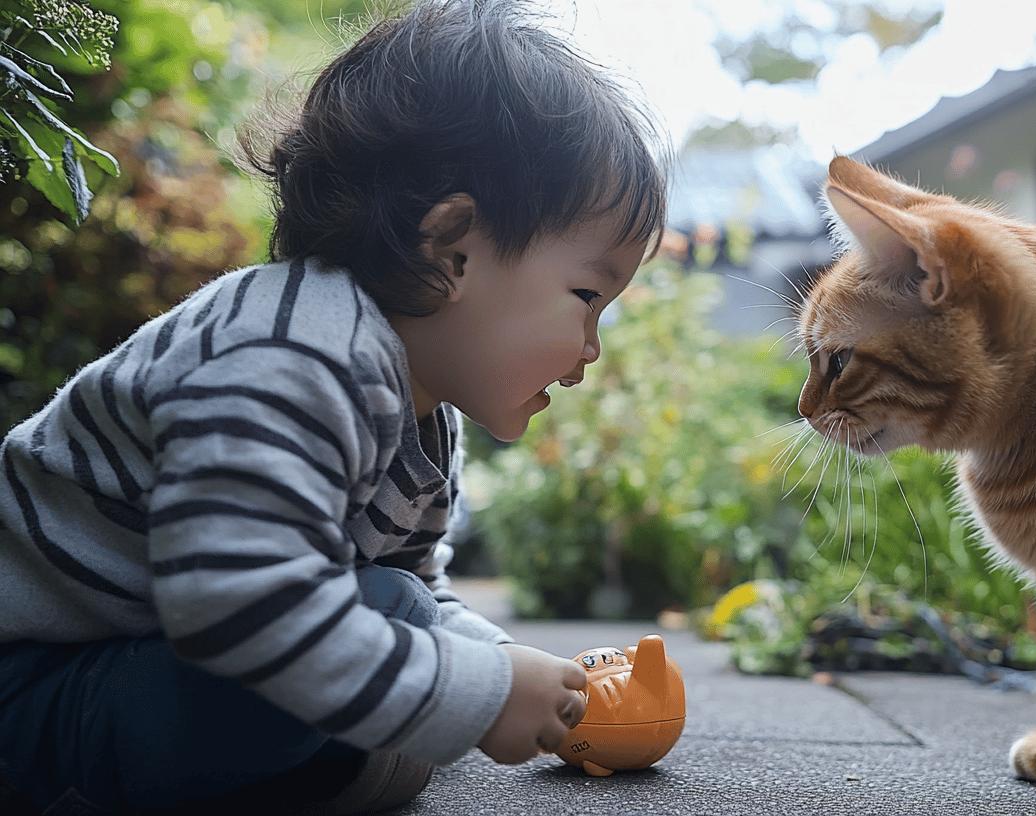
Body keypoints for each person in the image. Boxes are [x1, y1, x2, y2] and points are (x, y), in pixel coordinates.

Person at [0, 0, 667, 812]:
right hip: (31, 677)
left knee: (395, 608)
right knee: (376, 623)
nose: (590, 350)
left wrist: (517, 674)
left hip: (138, 656)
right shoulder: (289, 354)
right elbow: (238, 602)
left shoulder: (421, 413)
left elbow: (413, 588)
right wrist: (478, 695)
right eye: (587, 297)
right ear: (450, 247)